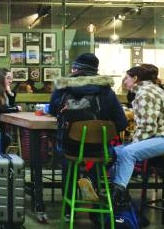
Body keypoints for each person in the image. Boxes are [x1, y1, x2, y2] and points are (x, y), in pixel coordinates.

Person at [48, 53, 128, 203]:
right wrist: (99, 134)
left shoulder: (63, 87)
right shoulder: (107, 91)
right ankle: (91, 183)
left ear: (75, 69)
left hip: (69, 148)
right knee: (110, 155)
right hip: (98, 149)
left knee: (66, 159)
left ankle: (68, 202)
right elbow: (122, 123)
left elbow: (52, 110)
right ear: (95, 71)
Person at [109, 64, 164, 207]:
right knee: (114, 152)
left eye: (127, 78)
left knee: (128, 152)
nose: (124, 81)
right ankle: (116, 189)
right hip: (162, 136)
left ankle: (117, 195)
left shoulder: (145, 94)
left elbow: (148, 126)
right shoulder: (150, 90)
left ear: (135, 78)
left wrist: (132, 144)